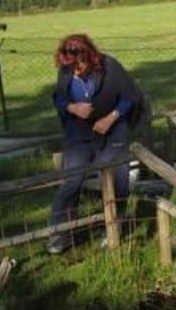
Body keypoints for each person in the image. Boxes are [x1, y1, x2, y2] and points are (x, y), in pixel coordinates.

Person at [46, 33, 146, 255]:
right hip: (79, 133)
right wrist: (72, 108)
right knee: (72, 180)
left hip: (113, 130)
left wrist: (110, 117)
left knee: (116, 177)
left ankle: (112, 227)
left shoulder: (110, 67)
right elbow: (59, 97)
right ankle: (60, 233)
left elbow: (130, 96)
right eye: (70, 67)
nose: (75, 70)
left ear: (88, 56)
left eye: (78, 65)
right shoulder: (66, 69)